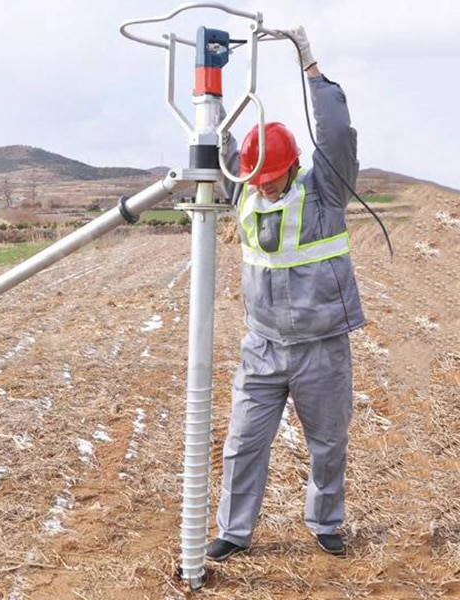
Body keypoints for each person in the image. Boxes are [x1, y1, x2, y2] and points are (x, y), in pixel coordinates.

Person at [205, 26, 364, 561]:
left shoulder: (326, 191)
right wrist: (214, 82)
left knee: (327, 445)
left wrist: (310, 67)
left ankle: (325, 522)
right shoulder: (244, 188)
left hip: (322, 347)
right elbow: (220, 141)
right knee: (243, 444)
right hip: (264, 348)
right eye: (258, 178)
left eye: (272, 177)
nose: (265, 185)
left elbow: (337, 133)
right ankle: (234, 530)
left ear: (293, 166)